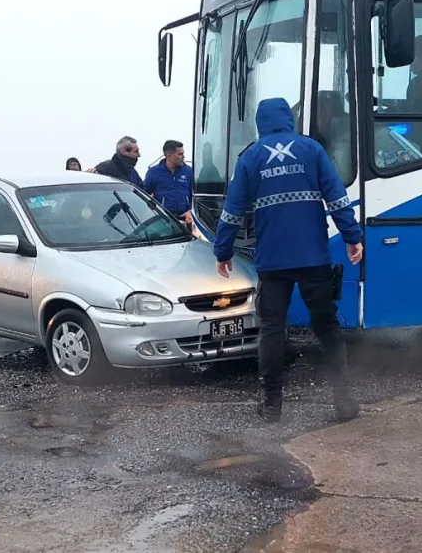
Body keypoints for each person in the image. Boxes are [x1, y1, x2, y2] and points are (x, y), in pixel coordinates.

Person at [213, 97, 364, 424]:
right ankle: (344, 403)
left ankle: (272, 406)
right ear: (288, 120)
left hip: (272, 261)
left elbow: (232, 210)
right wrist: (352, 237)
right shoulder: (311, 150)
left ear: (260, 123)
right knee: (327, 327)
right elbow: (337, 197)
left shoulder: (250, 157)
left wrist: (222, 252)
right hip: (313, 258)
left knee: (271, 330)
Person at [144, 140, 194, 225]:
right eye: (180, 154)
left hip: (186, 219)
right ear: (169, 156)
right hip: (162, 220)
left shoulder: (189, 171)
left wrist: (191, 211)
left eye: (183, 153)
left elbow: (194, 196)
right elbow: (144, 195)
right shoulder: (153, 172)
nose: (183, 156)